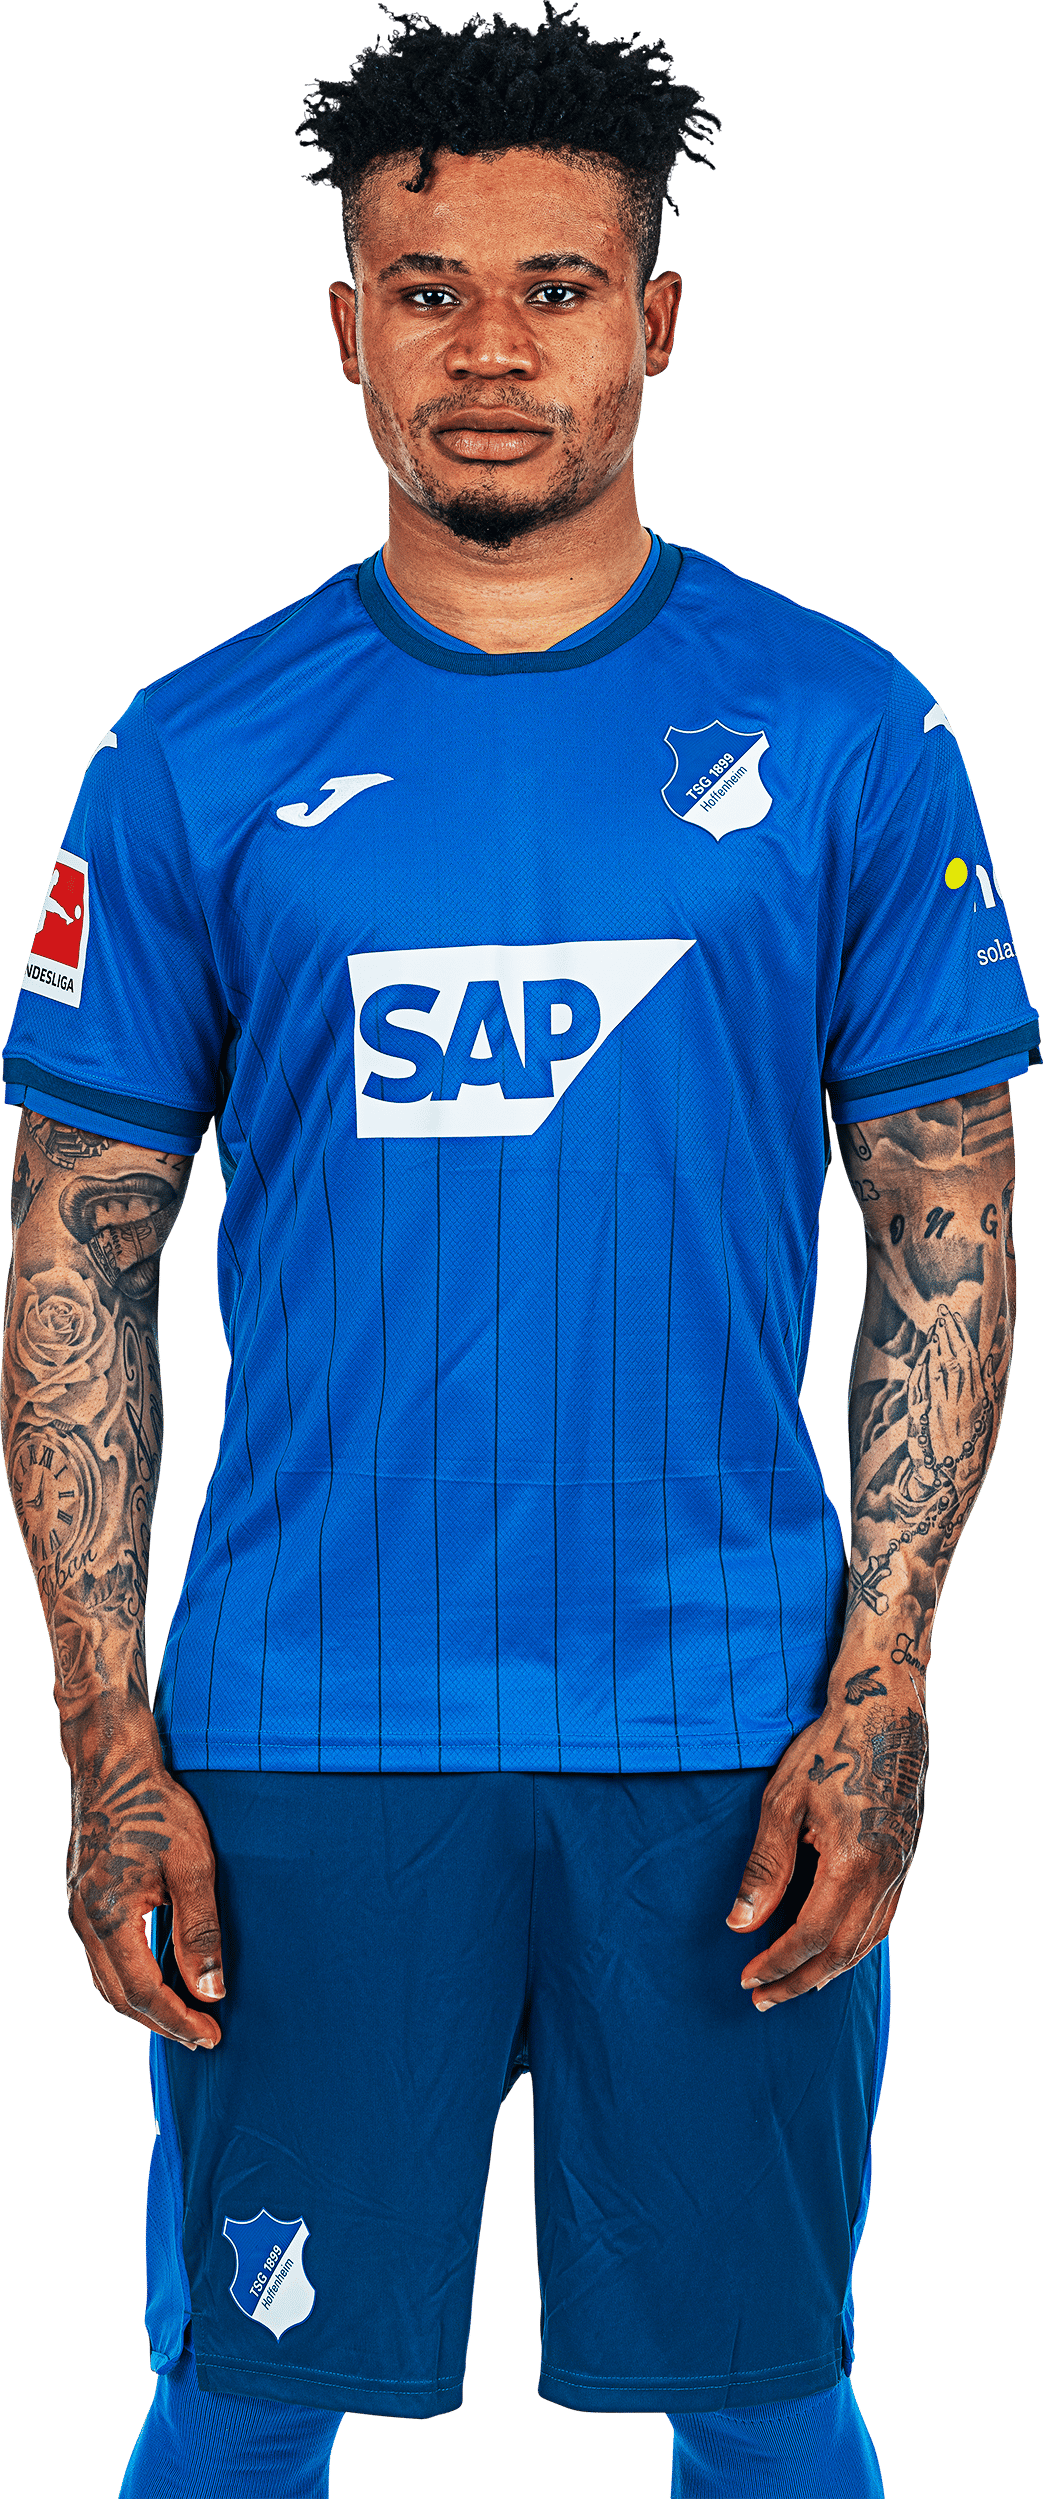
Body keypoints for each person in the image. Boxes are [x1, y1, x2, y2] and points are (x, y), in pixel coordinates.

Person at [2, 8, 1036, 2493]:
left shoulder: (846, 727)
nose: (488, 350)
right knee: (243, 2389)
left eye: (553, 287)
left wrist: (881, 1686)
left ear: (654, 322)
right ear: (342, 327)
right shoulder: (190, 749)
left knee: (764, 2387)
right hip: (300, 1723)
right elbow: (75, 1260)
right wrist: (108, 1739)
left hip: (723, 1722)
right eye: (427, 288)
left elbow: (943, 1230)